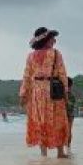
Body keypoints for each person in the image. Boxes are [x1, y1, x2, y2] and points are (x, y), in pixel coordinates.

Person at [19, 27, 70, 158]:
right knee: (58, 120)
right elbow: (62, 73)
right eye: (52, 38)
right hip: (53, 91)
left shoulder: (30, 57)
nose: (54, 40)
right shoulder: (56, 54)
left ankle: (43, 154)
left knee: (40, 120)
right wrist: (66, 91)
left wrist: (23, 94)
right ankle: (60, 152)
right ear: (46, 40)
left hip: (37, 93)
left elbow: (26, 76)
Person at [64, 80, 78, 152]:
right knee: (68, 131)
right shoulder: (68, 95)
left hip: (69, 115)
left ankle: (68, 147)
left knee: (68, 131)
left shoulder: (71, 96)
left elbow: (71, 106)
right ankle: (67, 147)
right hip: (67, 115)